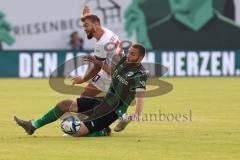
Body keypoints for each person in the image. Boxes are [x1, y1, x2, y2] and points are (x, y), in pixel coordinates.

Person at [14, 44, 147, 137]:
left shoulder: (139, 74)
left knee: (76, 132)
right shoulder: (124, 61)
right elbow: (114, 72)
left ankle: (102, 131)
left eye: (132, 54)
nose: (128, 55)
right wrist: (97, 62)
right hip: (104, 101)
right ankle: (32, 125)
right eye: (129, 52)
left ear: (140, 58)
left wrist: (137, 113)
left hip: (113, 110)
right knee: (64, 104)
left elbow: (140, 94)